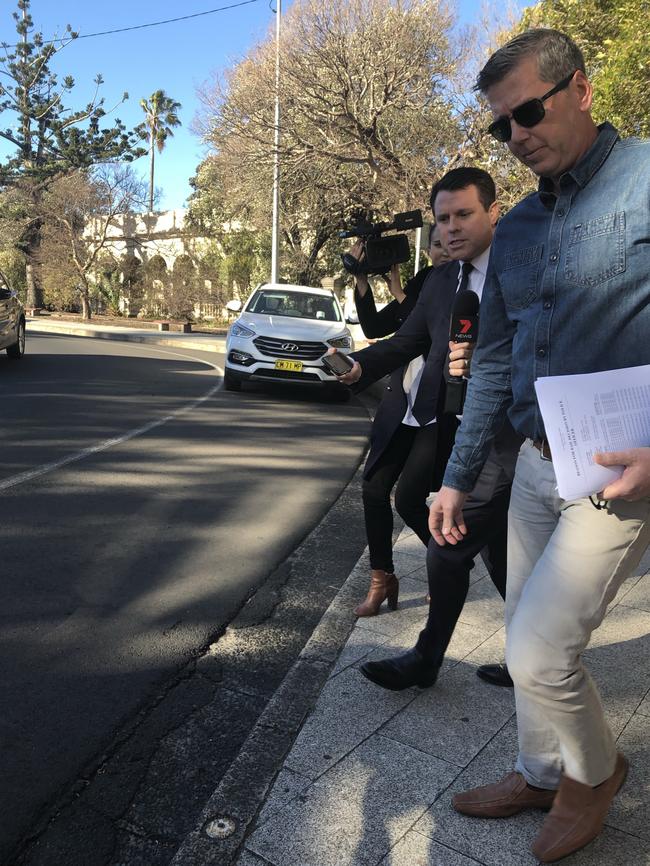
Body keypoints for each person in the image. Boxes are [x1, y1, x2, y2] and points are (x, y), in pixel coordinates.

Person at [428, 29, 650, 864]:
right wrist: (455, 480)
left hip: (621, 469)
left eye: (529, 109)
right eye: (501, 124)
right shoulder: (514, 230)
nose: (517, 133)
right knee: (521, 625)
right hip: (533, 461)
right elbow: (489, 364)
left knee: (540, 648)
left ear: (582, 91)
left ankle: (595, 776)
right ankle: (539, 771)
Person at [336, 166, 522, 688]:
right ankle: (523, 654)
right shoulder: (441, 281)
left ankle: (429, 658)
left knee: (454, 546)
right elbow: (403, 342)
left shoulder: (525, 271)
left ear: (493, 211)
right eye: (443, 219)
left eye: (464, 214)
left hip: (513, 435)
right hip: (451, 431)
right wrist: (358, 365)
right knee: (489, 549)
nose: (451, 228)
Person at [347, 226, 451, 616]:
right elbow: (377, 329)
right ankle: (381, 579)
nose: (442, 251)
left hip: (434, 415)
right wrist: (362, 278)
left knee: (409, 500)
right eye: (435, 245)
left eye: (446, 244)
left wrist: (400, 292)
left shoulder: (462, 287)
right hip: (400, 406)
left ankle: (447, 565)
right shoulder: (424, 282)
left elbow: (428, 330)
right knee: (373, 489)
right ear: (427, 252)